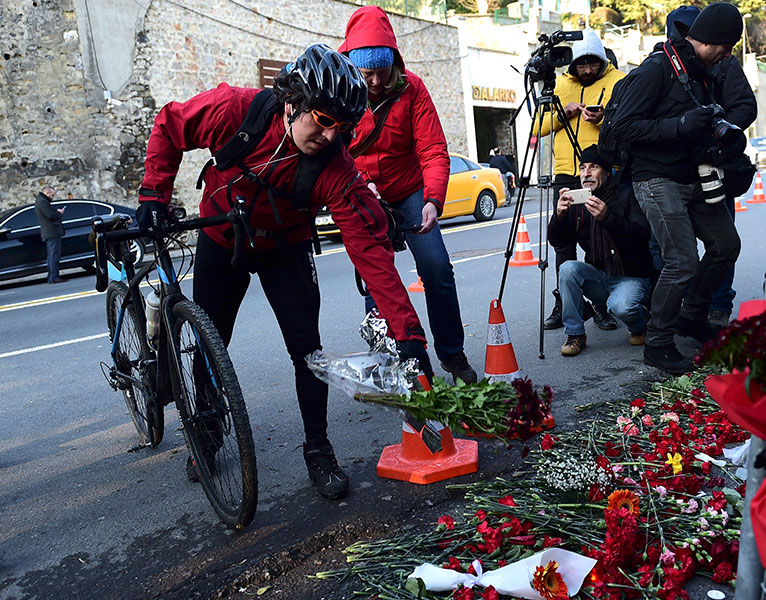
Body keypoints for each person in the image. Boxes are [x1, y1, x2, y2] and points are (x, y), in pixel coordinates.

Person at [135, 43, 432, 501]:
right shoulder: (235, 110)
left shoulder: (336, 168)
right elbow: (171, 124)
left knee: (307, 351)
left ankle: (319, 450)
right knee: (210, 347)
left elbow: (373, 257)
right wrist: (154, 196)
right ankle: (208, 438)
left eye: (344, 127)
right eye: (325, 120)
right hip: (222, 238)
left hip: (285, 246)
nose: (332, 137)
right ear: (293, 104)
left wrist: (409, 339)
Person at [339, 6, 478, 384]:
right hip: (361, 192)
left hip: (411, 189)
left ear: (393, 63)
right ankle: (390, 360)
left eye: (381, 72)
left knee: (436, 266)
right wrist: (359, 182)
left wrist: (433, 199)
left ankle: (452, 353)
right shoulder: (340, 92)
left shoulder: (412, 88)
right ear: (351, 66)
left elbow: (433, 149)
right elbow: (334, 150)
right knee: (377, 279)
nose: (374, 81)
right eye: (366, 74)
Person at [608, 2, 744, 375]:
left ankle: (691, 315)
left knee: (725, 245)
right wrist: (680, 124)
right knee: (681, 261)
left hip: (694, 175)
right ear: (711, 41)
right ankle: (658, 341)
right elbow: (622, 128)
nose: (728, 55)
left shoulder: (704, 73)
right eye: (727, 47)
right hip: (655, 178)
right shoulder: (656, 70)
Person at [665, 5, 758, 329]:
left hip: (716, 167)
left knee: (723, 242)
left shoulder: (726, 63)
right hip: (678, 173)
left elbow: (746, 105)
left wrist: (718, 133)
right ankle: (687, 307)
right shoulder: (665, 63)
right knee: (681, 248)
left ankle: (718, 305)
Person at [540, 28, 625, 332]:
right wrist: (564, 113)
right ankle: (565, 303)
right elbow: (538, 128)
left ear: (602, 61)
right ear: (572, 64)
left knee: (597, 238)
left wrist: (605, 117)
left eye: (593, 65)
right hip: (567, 172)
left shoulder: (617, 81)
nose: (587, 70)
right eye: (581, 65)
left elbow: (628, 122)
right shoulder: (560, 84)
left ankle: (601, 307)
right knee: (563, 239)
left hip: (603, 172)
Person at [548, 145, 655, 356]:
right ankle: (576, 334)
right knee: (568, 268)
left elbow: (641, 235)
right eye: (582, 167)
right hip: (600, 275)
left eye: (593, 167)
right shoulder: (579, 201)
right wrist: (559, 216)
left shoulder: (626, 195)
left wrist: (608, 217)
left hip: (631, 275)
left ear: (607, 172)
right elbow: (558, 241)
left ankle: (641, 322)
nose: (586, 173)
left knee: (621, 306)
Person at [35, 185, 65, 284]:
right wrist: (59, 213)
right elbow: (51, 215)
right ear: (47, 193)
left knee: (52, 255)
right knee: (54, 256)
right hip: (52, 232)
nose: (53, 197)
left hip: (49, 232)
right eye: (52, 195)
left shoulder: (41, 201)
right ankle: (54, 276)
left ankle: (52, 276)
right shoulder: (43, 202)